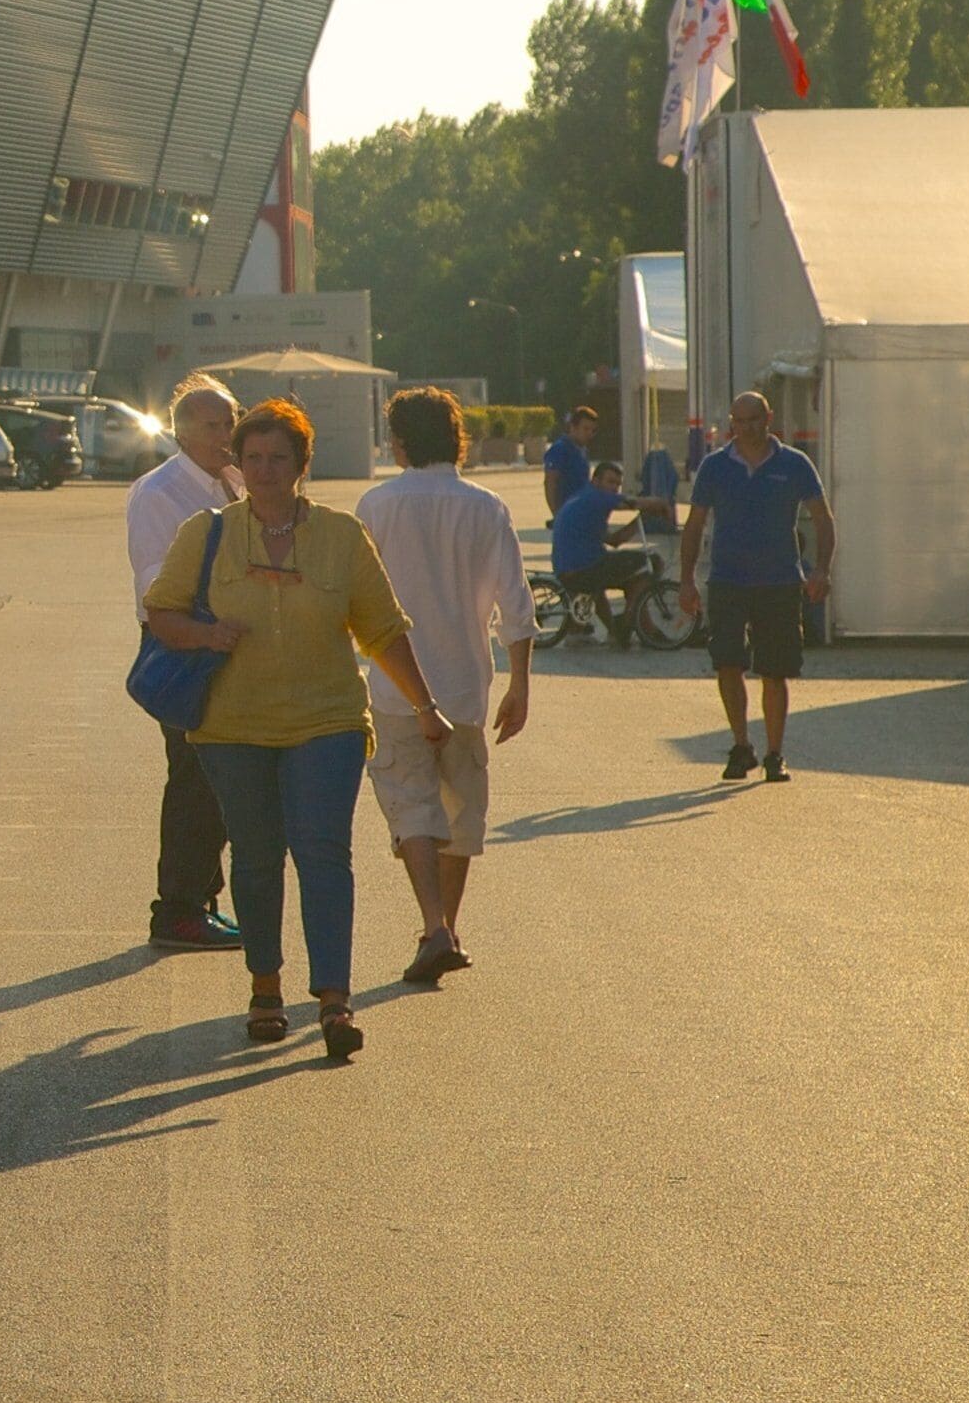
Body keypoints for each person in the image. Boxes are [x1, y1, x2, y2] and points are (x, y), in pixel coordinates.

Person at [141, 399, 446, 1061]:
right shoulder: (208, 533)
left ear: (303, 465)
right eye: (253, 458)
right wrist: (206, 634)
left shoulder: (339, 535)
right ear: (238, 465)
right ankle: (266, 988)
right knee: (254, 859)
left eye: (280, 458)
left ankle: (334, 1000)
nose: (266, 470)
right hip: (233, 726)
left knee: (323, 854)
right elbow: (161, 612)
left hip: (327, 720)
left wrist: (425, 707)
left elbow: (383, 629)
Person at [353, 389, 535, 984]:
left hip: (393, 685)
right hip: (464, 688)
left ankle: (435, 928)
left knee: (411, 808)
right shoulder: (486, 507)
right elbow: (516, 600)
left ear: (400, 440)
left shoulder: (376, 505)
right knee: (460, 815)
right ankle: (445, 928)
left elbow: (354, 599)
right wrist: (520, 685)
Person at [122, 377, 244, 953]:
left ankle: (200, 896)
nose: (226, 435)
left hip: (235, 650)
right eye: (214, 425)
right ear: (182, 430)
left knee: (220, 781)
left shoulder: (236, 480)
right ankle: (177, 909)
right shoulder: (159, 493)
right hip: (186, 650)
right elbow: (155, 588)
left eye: (231, 422)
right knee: (194, 780)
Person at [676, 389, 834, 783]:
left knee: (774, 669)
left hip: (779, 580)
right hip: (728, 578)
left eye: (753, 420)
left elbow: (822, 518)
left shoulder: (794, 464)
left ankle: (775, 753)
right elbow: (694, 525)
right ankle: (741, 745)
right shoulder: (715, 466)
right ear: (731, 422)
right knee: (728, 662)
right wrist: (686, 581)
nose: (745, 428)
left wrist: (822, 570)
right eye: (738, 421)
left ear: (769, 418)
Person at [548, 459, 658, 644]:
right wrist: (661, 504)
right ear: (596, 481)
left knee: (620, 574)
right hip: (582, 567)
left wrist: (641, 521)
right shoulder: (596, 497)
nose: (614, 488)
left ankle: (616, 632)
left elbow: (614, 540)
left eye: (618, 484)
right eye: (610, 482)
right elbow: (633, 502)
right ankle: (628, 619)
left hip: (572, 566)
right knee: (651, 561)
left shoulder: (584, 498)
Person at [542, 406, 600, 517]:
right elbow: (550, 482)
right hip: (567, 511)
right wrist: (556, 513)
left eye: (593, 430)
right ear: (573, 427)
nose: (589, 434)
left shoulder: (582, 450)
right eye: (586, 429)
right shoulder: (560, 449)